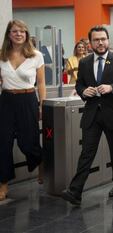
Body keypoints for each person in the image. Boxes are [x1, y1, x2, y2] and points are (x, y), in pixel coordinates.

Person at [61, 25, 113, 206]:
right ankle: (75, 190)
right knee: (87, 152)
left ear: (108, 40)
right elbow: (79, 85)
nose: (100, 42)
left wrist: (112, 87)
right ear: (90, 43)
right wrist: (83, 92)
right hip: (92, 114)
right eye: (96, 40)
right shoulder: (85, 62)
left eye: (103, 39)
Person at [0, 19, 46, 201]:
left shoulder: (36, 55)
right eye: (14, 31)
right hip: (6, 101)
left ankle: (41, 162)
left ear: (26, 35)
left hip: (27, 100)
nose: (19, 34)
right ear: (9, 35)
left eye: (22, 31)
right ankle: (3, 184)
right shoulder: (2, 55)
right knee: (3, 143)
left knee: (28, 142)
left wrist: (42, 103)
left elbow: (41, 83)